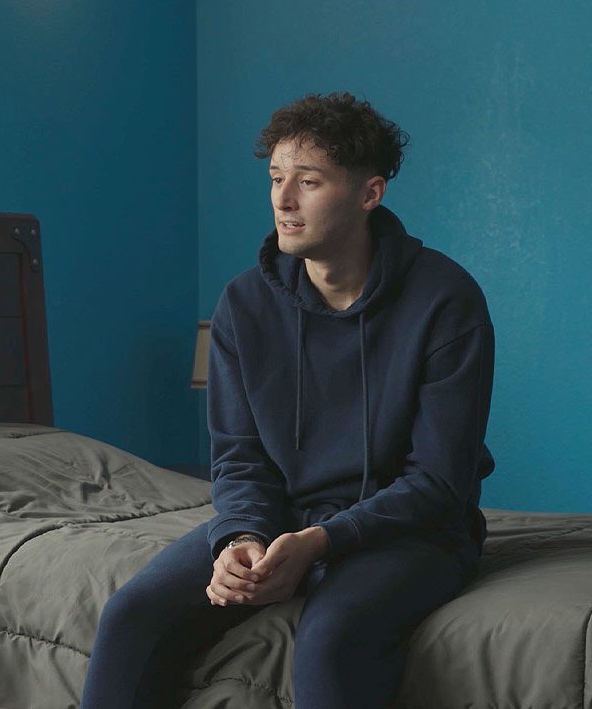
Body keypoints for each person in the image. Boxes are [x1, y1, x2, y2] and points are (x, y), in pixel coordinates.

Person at [80, 93, 495, 709]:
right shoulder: (244, 305)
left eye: (309, 181)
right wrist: (239, 538)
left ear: (369, 194)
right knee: (131, 613)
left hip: (414, 533)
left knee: (329, 641)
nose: (283, 199)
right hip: (281, 520)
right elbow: (240, 459)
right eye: (276, 178)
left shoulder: (445, 299)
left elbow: (438, 480)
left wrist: (321, 543)